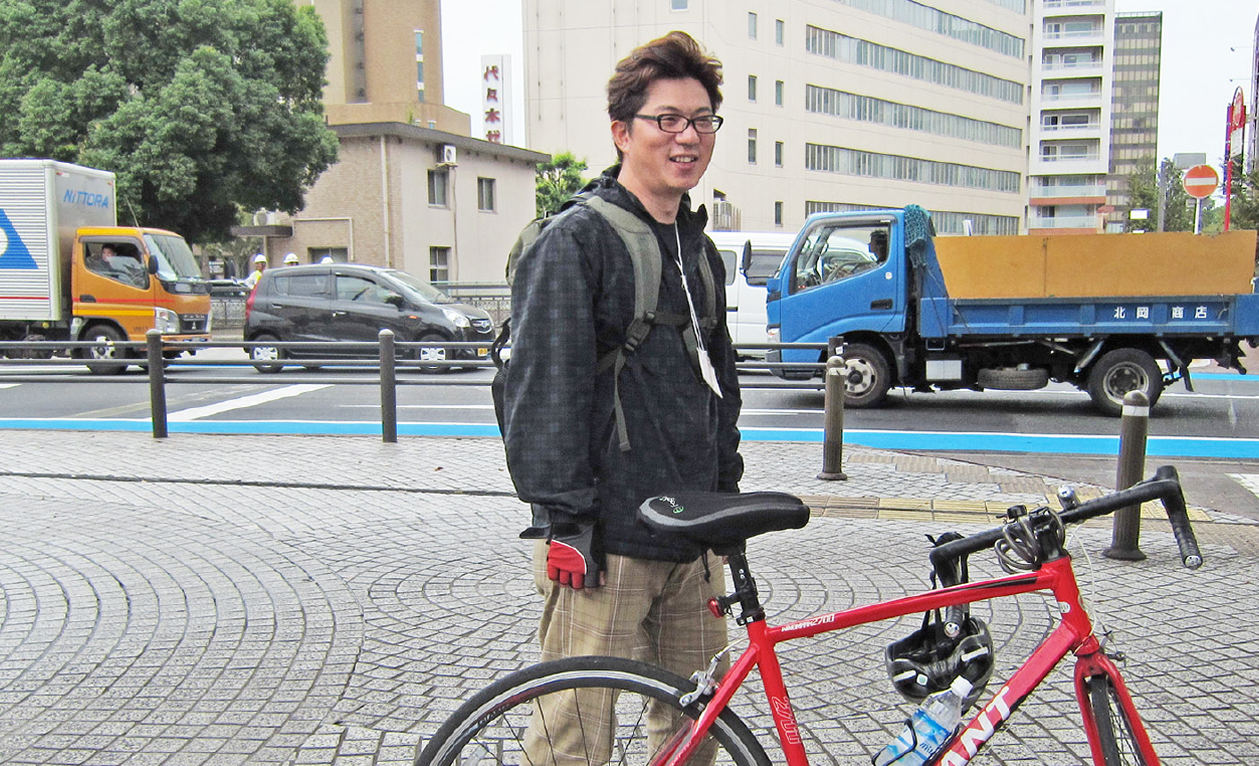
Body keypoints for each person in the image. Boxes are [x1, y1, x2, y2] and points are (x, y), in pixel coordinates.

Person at [502, 30, 741, 763]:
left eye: (701, 119)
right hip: (605, 539)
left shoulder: (696, 251)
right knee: (573, 736)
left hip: (691, 534)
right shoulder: (575, 241)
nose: (686, 136)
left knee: (696, 729)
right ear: (621, 131)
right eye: (665, 119)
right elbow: (541, 390)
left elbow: (719, 389)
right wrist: (565, 521)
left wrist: (725, 504)